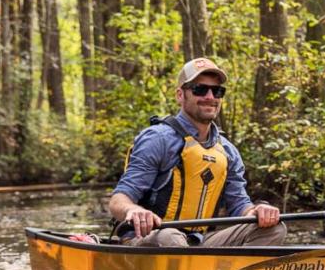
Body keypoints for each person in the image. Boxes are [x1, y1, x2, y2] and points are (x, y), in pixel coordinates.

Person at [108, 57, 287, 248]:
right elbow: (118, 201)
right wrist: (133, 210)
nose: (210, 96)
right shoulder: (157, 139)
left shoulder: (228, 151)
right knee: (170, 237)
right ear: (180, 95)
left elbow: (239, 205)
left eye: (217, 91)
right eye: (200, 89)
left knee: (275, 228)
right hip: (149, 238)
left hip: (199, 242)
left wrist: (258, 211)